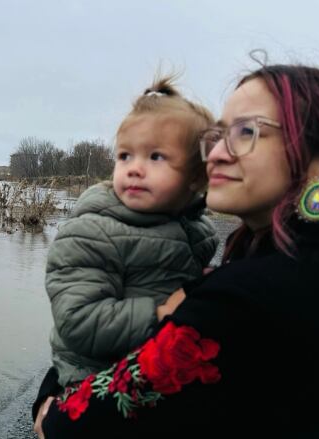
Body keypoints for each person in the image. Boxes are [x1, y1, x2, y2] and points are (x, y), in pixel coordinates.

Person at [33, 64, 319, 438]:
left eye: (246, 131)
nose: (216, 153)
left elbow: (73, 424)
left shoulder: (253, 296)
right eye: (217, 136)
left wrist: (50, 402)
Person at [45, 76, 219, 388]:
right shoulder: (93, 230)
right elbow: (77, 321)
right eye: (125, 155)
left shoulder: (199, 230)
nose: (134, 168)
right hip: (92, 378)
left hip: (152, 368)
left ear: (196, 177)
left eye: (156, 157)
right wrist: (160, 312)